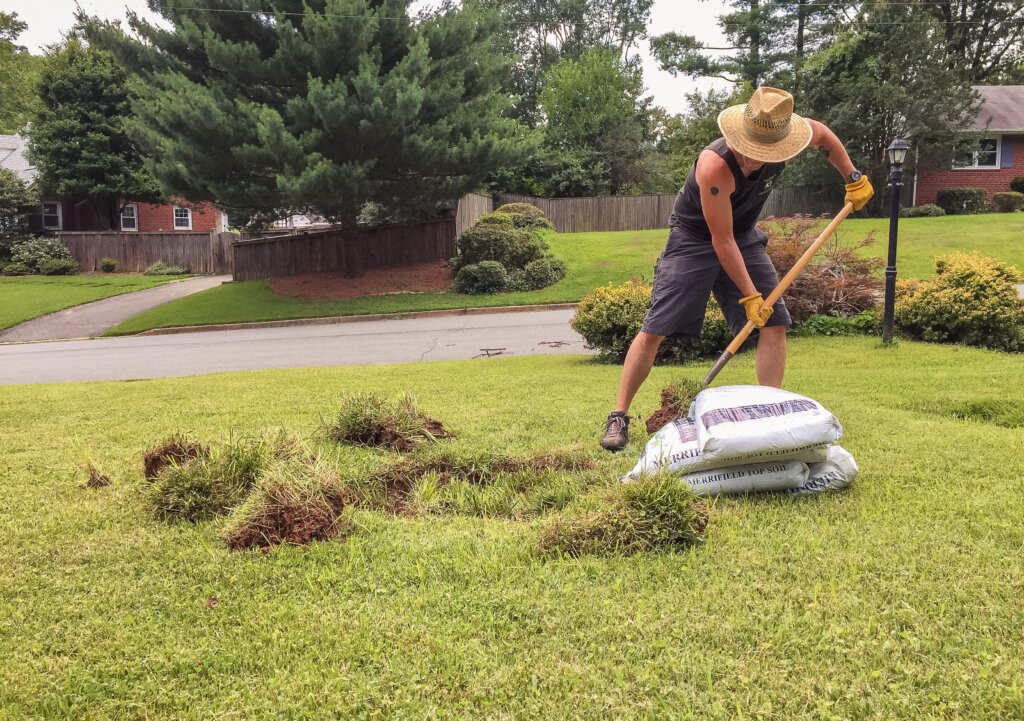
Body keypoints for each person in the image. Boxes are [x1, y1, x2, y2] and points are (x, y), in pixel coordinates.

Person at [600, 86, 873, 452]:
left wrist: (852, 175)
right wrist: (749, 295)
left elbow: (822, 135)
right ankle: (618, 416)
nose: (753, 157)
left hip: (742, 235)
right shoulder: (714, 165)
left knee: (774, 322)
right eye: (749, 147)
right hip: (694, 239)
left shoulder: (790, 137)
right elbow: (720, 240)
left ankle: (771, 409)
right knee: (656, 329)